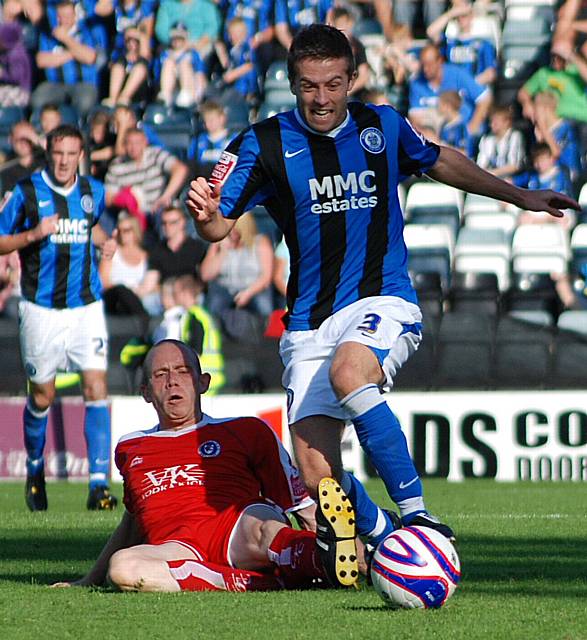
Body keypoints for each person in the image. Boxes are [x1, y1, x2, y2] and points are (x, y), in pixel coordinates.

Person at [187, 24, 579, 552]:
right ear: (290, 82)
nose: (321, 98)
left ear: (352, 79)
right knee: (316, 474)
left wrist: (518, 196)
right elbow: (217, 226)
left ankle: (419, 520)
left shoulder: (382, 125)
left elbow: (439, 159)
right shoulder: (263, 143)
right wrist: (207, 216)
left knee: (350, 372)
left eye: (332, 84)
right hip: (308, 321)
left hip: (382, 297)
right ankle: (383, 537)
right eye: (308, 86)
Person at [53, 340, 359, 592]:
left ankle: (329, 559)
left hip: (236, 529)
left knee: (267, 530)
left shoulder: (247, 430)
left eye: (182, 371)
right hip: (177, 548)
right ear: (146, 392)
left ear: (203, 382)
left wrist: (337, 539)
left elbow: (300, 505)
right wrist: (88, 580)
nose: (172, 380)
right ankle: (257, 583)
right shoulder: (131, 447)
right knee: (123, 567)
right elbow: (133, 521)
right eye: (160, 374)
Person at [0, 124, 119, 512]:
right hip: (41, 308)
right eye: (58, 154)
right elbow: (2, 239)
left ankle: (98, 485)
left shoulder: (92, 192)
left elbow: (92, 226)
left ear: (81, 155)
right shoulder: (27, 192)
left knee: (96, 386)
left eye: (71, 154)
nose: (64, 161)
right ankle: (35, 470)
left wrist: (106, 242)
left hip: (86, 305)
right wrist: (34, 233)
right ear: (48, 154)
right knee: (43, 395)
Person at [104, 127, 188, 236]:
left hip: (156, 209)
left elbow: (180, 170)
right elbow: (108, 198)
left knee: (165, 216)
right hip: (130, 214)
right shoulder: (117, 165)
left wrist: (165, 197)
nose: (133, 148)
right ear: (124, 145)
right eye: (129, 143)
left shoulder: (155, 155)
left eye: (137, 143)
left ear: (145, 142)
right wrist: (123, 199)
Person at [32, 0, 105, 118]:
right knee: (39, 98)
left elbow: (90, 58)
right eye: (60, 17)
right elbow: (41, 60)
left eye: (67, 16)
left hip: (83, 84)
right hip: (56, 84)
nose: (63, 20)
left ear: (75, 15)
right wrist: (75, 53)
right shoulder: (48, 36)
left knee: (86, 101)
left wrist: (66, 39)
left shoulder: (86, 32)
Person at [136, 206, 208, 315]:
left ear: (183, 222)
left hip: (190, 293)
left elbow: (203, 280)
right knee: (147, 301)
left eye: (172, 222)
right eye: (164, 223)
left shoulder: (196, 247)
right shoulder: (157, 250)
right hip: (166, 294)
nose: (168, 227)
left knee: (201, 299)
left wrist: (187, 292)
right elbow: (150, 281)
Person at [409, 43, 491, 135]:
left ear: (440, 61)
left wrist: (471, 129)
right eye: (423, 65)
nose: (425, 69)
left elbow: (484, 98)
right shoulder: (417, 83)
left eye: (429, 64)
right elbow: (415, 117)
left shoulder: (457, 75)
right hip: (435, 135)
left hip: (463, 130)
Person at [99, 212, 150, 340]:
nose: (122, 234)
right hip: (115, 297)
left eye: (126, 230)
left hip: (140, 296)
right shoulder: (112, 253)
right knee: (122, 290)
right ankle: (145, 322)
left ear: (135, 231)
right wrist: (129, 291)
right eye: (119, 230)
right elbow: (103, 282)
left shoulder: (146, 256)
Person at [157, 21, 207, 109]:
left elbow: (200, 74)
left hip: (191, 89)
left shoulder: (193, 54)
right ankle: (166, 95)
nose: (176, 41)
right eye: (174, 38)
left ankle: (185, 94)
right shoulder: (166, 54)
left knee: (184, 63)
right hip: (173, 88)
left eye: (180, 38)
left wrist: (199, 93)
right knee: (169, 63)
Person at [103, 26, 150, 107]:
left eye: (135, 40)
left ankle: (124, 97)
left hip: (139, 96)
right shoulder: (119, 57)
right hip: (118, 89)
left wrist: (141, 37)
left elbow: (146, 55)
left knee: (140, 69)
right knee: (118, 67)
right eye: (128, 40)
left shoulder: (145, 60)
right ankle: (113, 98)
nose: (132, 43)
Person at [476, 104, 525, 180]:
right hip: (490, 178)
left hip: (510, 179)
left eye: (496, 121)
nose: (492, 124)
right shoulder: (486, 139)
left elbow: (515, 166)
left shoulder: (514, 136)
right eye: (491, 121)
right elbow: (481, 163)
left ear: (506, 122)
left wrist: (492, 173)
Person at [0, 120, 45, 194]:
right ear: (11, 140)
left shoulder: (44, 160)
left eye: (27, 139)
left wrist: (36, 138)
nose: (23, 143)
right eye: (19, 139)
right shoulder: (8, 167)